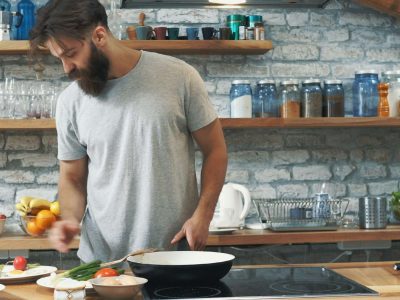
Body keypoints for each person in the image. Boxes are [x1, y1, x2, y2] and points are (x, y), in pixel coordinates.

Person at [29, 0, 227, 263]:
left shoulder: (179, 77)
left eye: (71, 53)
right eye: (60, 59)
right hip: (100, 261)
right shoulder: (70, 102)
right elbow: (72, 178)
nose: (67, 68)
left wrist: (203, 215)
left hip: (172, 254)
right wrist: (70, 219)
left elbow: (215, 151)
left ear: (99, 35)